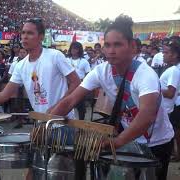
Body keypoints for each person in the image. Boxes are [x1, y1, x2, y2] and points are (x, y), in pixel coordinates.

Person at [49, 15, 174, 180]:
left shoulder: (145, 74)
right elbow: (71, 100)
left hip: (156, 143)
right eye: (107, 45)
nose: (111, 50)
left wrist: (116, 142)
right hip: (128, 141)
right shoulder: (101, 71)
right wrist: (47, 122)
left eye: (118, 44)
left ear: (132, 46)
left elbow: (147, 115)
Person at [0, 18, 81, 180]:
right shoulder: (20, 65)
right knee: (34, 172)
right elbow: (5, 95)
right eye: (23, 33)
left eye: (30, 33)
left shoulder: (55, 56)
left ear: (41, 37)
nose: (24, 37)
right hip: (41, 126)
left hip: (64, 124)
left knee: (61, 174)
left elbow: (76, 82)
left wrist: (59, 107)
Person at [162, 41, 180, 162]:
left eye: (166, 52)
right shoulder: (172, 69)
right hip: (170, 107)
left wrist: (154, 89)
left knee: (173, 134)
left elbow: (170, 93)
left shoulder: (174, 70)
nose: (163, 54)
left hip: (169, 108)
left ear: (174, 55)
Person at [67, 41, 91, 120]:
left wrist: (84, 83)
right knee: (67, 104)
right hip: (68, 84)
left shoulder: (84, 61)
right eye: (72, 48)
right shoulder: (66, 60)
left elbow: (88, 74)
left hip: (80, 85)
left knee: (81, 107)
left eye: (75, 48)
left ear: (79, 50)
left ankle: (81, 124)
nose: (73, 50)